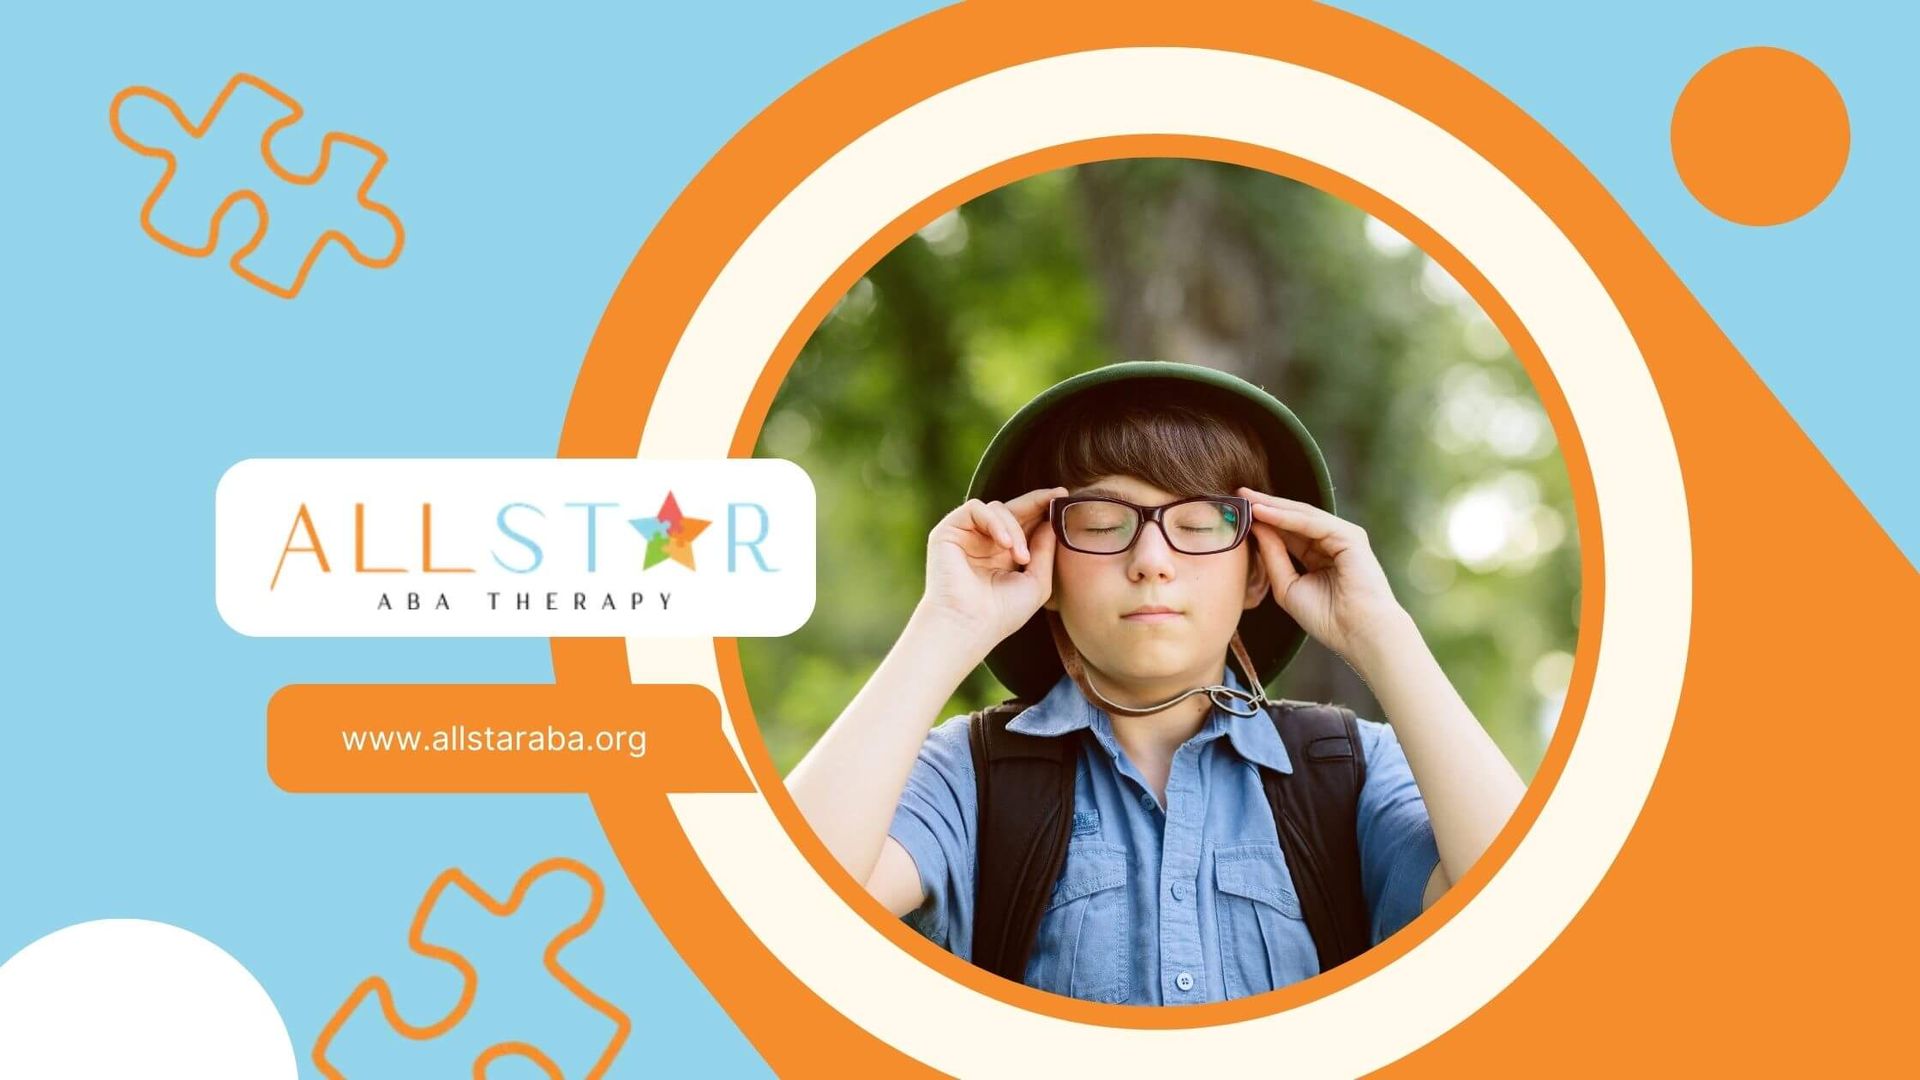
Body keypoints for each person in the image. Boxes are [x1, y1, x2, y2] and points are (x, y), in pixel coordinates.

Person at [785, 361, 1526, 1006]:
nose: (1151, 560)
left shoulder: (1349, 769)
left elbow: (1521, 916)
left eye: (1200, 523)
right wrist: (947, 623)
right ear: (1045, 564)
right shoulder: (968, 776)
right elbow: (783, 906)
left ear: (1259, 571)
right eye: (1102, 522)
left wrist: (1382, 634)